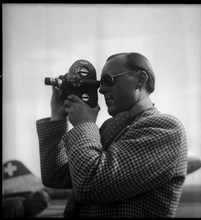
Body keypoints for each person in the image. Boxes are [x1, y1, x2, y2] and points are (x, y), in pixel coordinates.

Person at [36, 52, 188, 218]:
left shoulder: (166, 128)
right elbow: (55, 177)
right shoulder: (111, 127)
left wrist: (84, 125)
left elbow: (91, 186)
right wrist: (57, 117)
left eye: (108, 80)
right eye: (100, 83)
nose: (101, 90)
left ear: (140, 79)